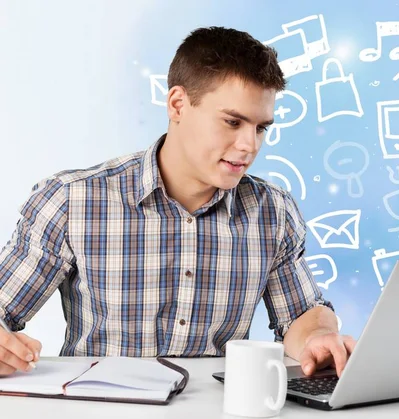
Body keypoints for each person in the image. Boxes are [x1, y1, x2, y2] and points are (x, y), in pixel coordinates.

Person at [0, 26, 356, 378]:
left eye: (261, 127)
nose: (250, 144)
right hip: (100, 406)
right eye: (233, 122)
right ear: (177, 105)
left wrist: (319, 338)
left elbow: (300, 315)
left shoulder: (272, 211)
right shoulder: (72, 200)